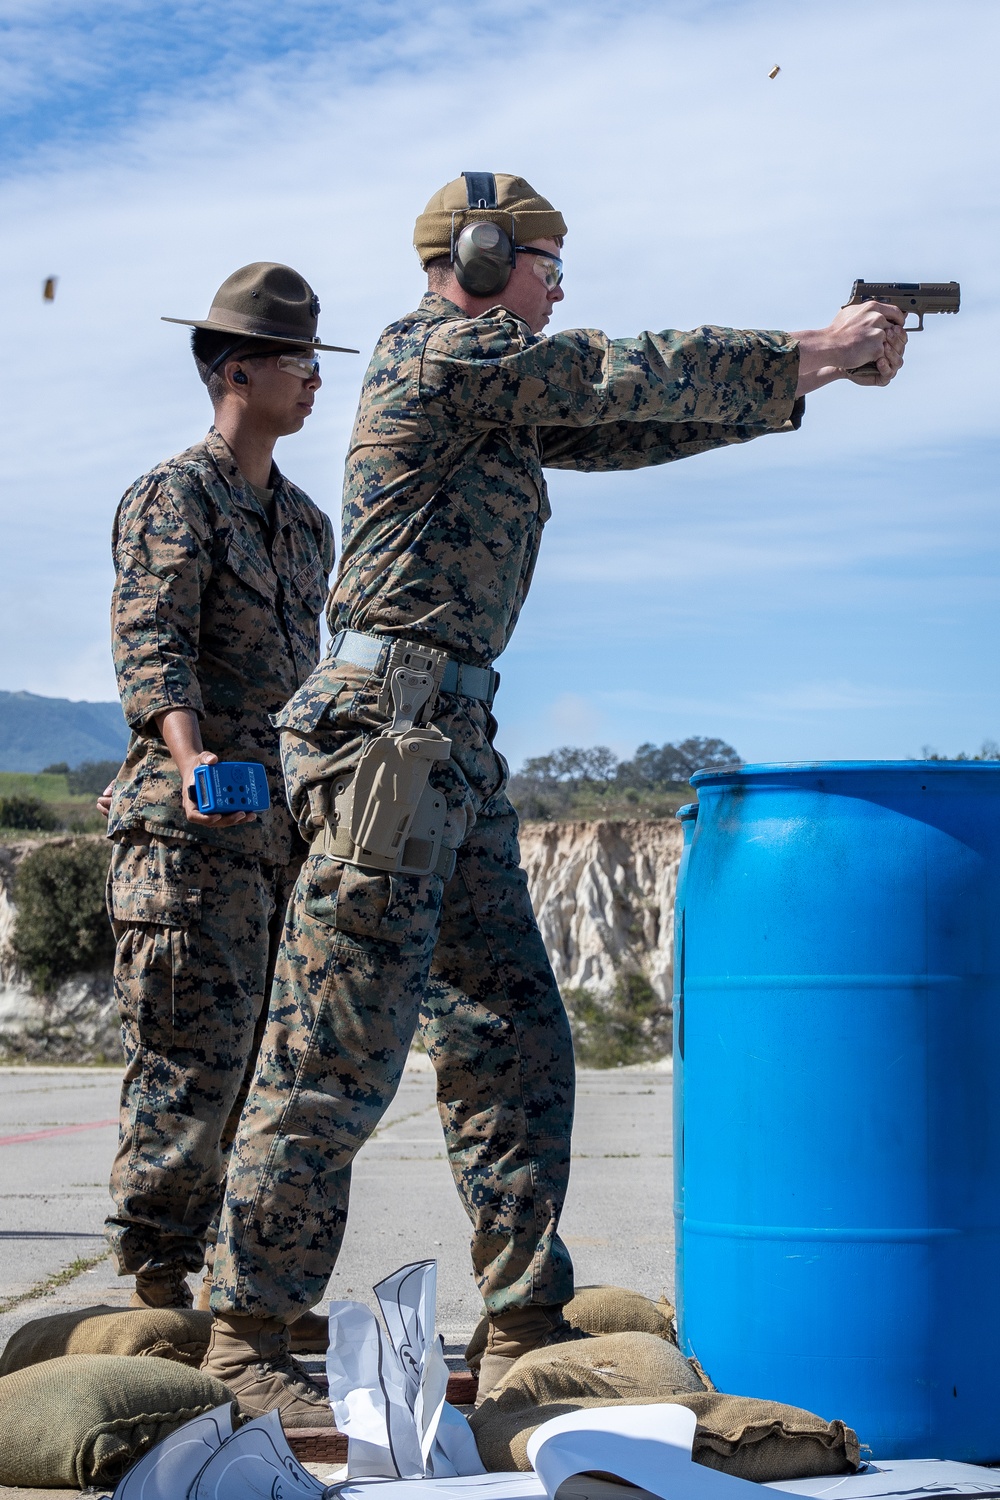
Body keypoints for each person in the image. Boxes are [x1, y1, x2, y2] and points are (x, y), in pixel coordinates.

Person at [200, 175, 907, 1426]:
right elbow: (619, 376)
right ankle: (247, 1333)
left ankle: (522, 1313)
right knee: (336, 1049)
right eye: (542, 265)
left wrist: (810, 380)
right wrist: (813, 345)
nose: (555, 290)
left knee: (513, 1037)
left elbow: (629, 427)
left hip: (447, 747)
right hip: (386, 743)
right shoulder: (446, 353)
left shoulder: (496, 387)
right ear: (476, 258)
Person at [103, 262, 355, 1357]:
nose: (312, 381)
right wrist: (195, 756)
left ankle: (238, 1301)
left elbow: (308, 675)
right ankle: (157, 1299)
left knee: (264, 1073)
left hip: (276, 843)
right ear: (235, 371)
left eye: (316, 361)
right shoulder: (175, 495)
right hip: (184, 832)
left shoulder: (302, 522)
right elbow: (152, 642)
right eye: (296, 362)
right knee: (187, 1063)